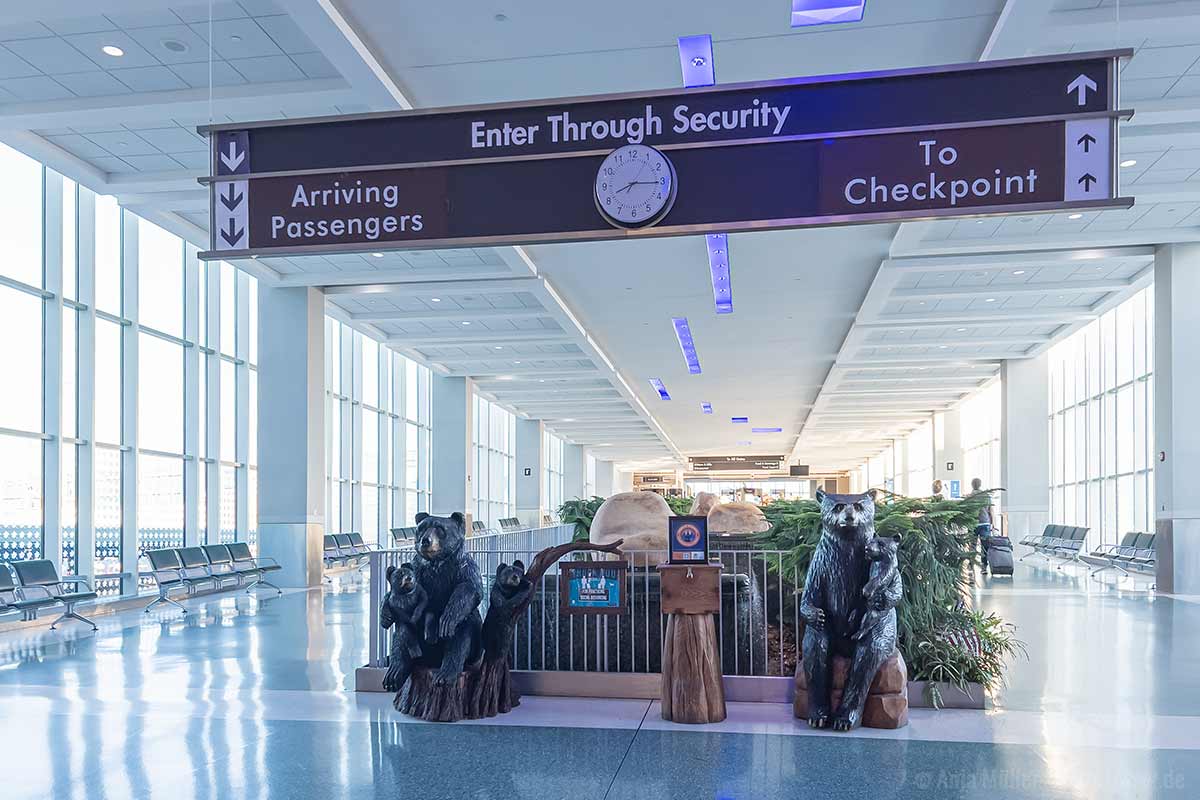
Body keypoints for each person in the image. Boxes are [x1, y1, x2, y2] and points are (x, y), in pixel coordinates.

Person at [969, 477, 994, 581]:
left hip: (973, 524)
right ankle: (984, 567)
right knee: (985, 546)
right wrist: (992, 523)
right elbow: (990, 510)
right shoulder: (986, 495)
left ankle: (971, 567)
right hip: (985, 523)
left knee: (972, 546)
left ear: (972, 485)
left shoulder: (969, 496)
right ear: (980, 485)